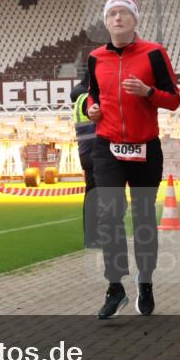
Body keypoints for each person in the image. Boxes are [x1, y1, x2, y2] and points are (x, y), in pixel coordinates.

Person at [86, 0, 180, 319]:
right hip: (107, 146)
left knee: (143, 220)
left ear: (135, 19)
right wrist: (92, 110)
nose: (117, 18)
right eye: (111, 13)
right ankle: (115, 287)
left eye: (123, 13)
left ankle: (146, 282)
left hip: (145, 147)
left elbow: (173, 99)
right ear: (106, 20)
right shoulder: (95, 57)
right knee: (109, 214)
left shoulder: (154, 53)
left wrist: (148, 92)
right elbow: (91, 96)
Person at [70, 76, 99, 248]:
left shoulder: (80, 98)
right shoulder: (88, 100)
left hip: (88, 153)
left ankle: (92, 237)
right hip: (94, 152)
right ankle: (93, 238)